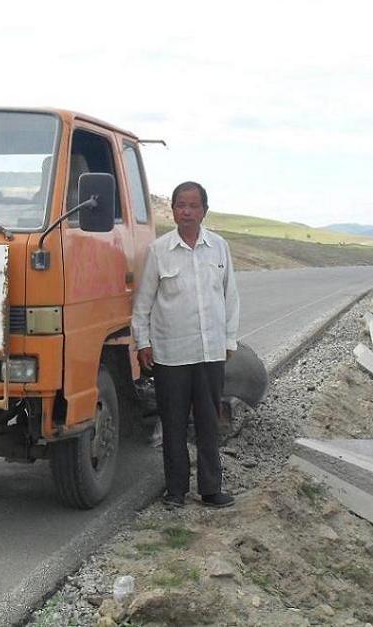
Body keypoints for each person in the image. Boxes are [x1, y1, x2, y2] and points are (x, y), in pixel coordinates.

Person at [132, 181, 239, 508]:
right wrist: (142, 342)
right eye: (181, 205)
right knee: (174, 425)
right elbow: (143, 303)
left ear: (204, 210)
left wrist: (229, 339)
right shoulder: (159, 251)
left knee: (209, 422)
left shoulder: (219, 247)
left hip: (209, 353)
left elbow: (230, 296)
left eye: (193, 205)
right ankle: (175, 491)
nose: (187, 211)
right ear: (174, 210)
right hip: (170, 354)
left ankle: (210, 489)